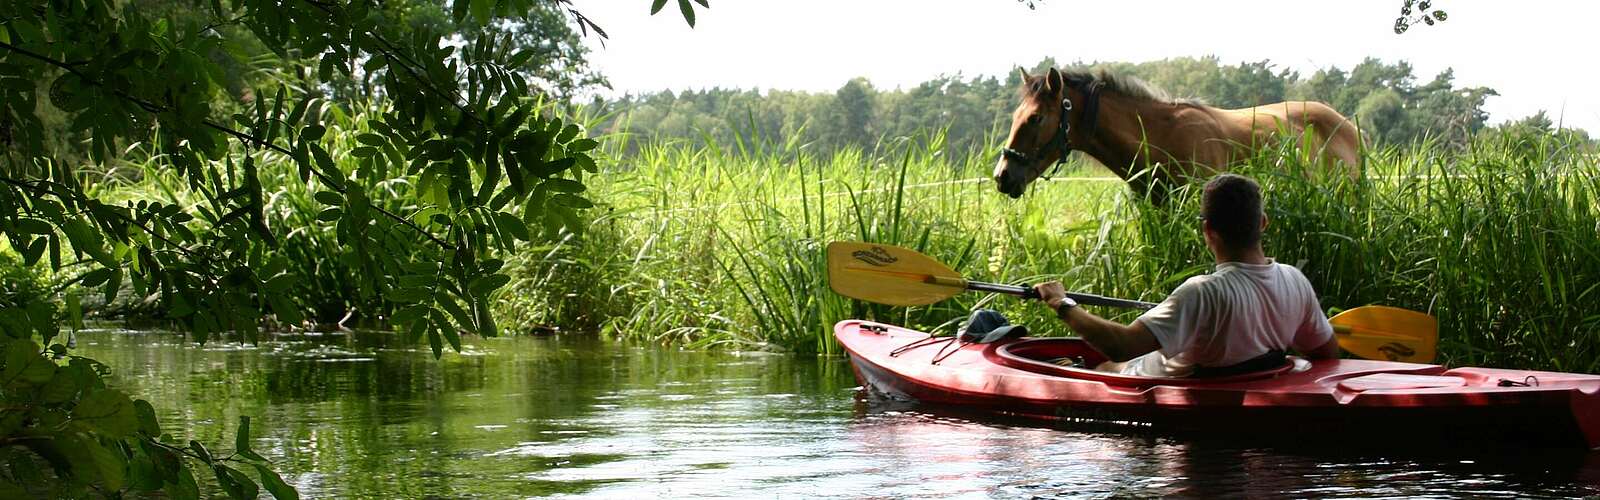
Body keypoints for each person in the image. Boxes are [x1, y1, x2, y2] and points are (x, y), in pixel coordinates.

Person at [1032, 173, 1340, 377]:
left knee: (1104, 366)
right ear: (1262, 223)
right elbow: (1325, 352)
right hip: (1238, 387)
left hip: (1148, 385)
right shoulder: (1295, 280)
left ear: (1207, 229)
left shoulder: (1201, 292)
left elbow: (1121, 345)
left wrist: (1061, 302)